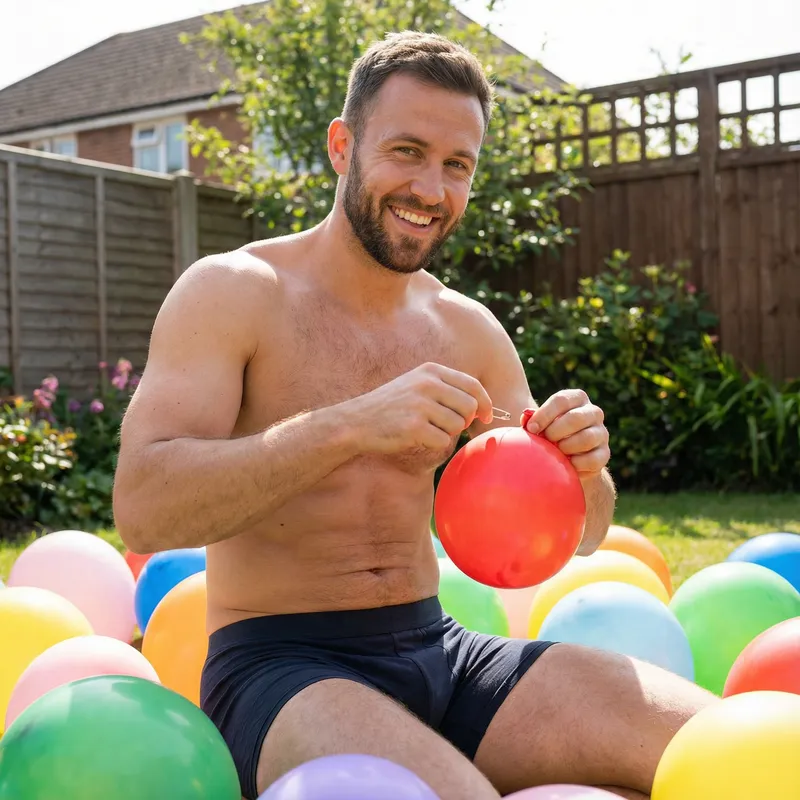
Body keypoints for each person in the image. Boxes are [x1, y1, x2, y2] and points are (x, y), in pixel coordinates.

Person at [113, 30, 716, 800]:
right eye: (406, 151)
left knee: (715, 743)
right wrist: (350, 425)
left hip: (443, 652)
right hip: (277, 667)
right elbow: (143, 508)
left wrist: (585, 470)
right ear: (342, 146)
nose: (431, 189)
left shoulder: (467, 330)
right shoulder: (233, 293)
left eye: (456, 165)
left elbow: (584, 532)